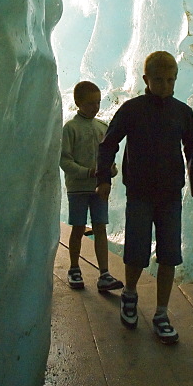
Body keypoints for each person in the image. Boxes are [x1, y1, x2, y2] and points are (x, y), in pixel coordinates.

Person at [95, 51, 193, 344]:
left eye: (171, 80)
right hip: (140, 194)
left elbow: (192, 152)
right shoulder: (132, 110)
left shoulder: (182, 112)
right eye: (159, 80)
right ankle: (130, 294)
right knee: (136, 249)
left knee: (169, 254)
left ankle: (161, 312)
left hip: (171, 195)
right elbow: (108, 144)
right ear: (146, 79)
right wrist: (104, 179)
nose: (166, 86)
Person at [60, 80, 124, 293]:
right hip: (78, 188)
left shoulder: (102, 127)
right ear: (78, 103)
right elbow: (64, 160)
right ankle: (74, 268)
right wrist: (87, 172)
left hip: (98, 188)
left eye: (97, 103)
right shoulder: (70, 128)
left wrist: (110, 171)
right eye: (89, 104)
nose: (95, 107)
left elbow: (108, 157)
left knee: (100, 228)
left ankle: (104, 273)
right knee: (78, 228)